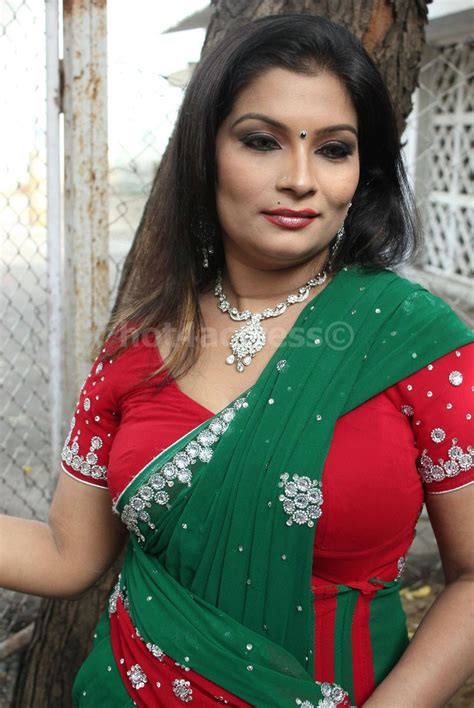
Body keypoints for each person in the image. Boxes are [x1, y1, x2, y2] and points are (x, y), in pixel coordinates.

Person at [1, 13, 473, 708]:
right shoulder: (137, 346)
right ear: (205, 153)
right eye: (261, 141)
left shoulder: (416, 343)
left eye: (334, 149)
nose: (300, 179)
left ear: (361, 171)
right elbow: (68, 555)